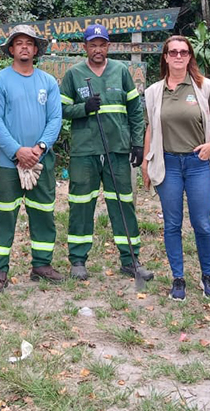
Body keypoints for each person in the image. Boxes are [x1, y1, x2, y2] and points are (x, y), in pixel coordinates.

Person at [60, 24, 151, 282]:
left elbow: (135, 110)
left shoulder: (121, 71)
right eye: (92, 44)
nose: (97, 49)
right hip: (84, 151)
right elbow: (61, 110)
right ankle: (78, 260)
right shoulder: (74, 75)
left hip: (117, 151)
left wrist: (137, 144)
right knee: (80, 204)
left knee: (123, 204)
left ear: (108, 46)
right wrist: (83, 108)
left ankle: (130, 260)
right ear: (85, 47)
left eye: (102, 44)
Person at [141, 36, 210, 300]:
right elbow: (151, 128)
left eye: (184, 52)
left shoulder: (203, 86)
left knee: (202, 223)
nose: (178, 56)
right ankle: (178, 278)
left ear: (190, 57)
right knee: (172, 224)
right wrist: (146, 161)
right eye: (173, 52)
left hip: (198, 163)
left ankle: (208, 275)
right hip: (168, 164)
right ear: (165, 57)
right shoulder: (154, 91)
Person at [0, 24, 63, 293]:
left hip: (42, 160)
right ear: (11, 49)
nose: (24, 47)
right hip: (8, 163)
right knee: (4, 215)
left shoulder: (48, 82)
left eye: (29, 43)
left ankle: (41, 265)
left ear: (36, 49)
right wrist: (17, 151)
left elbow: (55, 119)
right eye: (19, 43)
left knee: (43, 213)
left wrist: (39, 148)